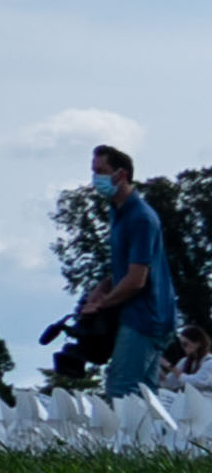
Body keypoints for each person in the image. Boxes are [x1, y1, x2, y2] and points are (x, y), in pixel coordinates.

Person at [66, 144, 176, 398]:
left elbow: (136, 279)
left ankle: (128, 439)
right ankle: (153, 439)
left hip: (146, 318)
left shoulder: (140, 217)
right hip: (144, 316)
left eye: (101, 171)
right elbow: (123, 271)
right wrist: (100, 289)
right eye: (94, 171)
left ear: (121, 174)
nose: (96, 178)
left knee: (121, 390)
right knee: (145, 395)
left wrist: (102, 305)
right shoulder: (118, 213)